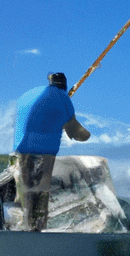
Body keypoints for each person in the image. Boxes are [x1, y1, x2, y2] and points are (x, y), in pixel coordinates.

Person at [12, 71, 91, 231]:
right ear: (64, 86)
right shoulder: (64, 99)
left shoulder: (33, 93)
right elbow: (76, 133)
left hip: (22, 147)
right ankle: (37, 227)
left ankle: (22, 223)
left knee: (26, 187)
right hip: (45, 150)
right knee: (41, 189)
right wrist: (87, 135)